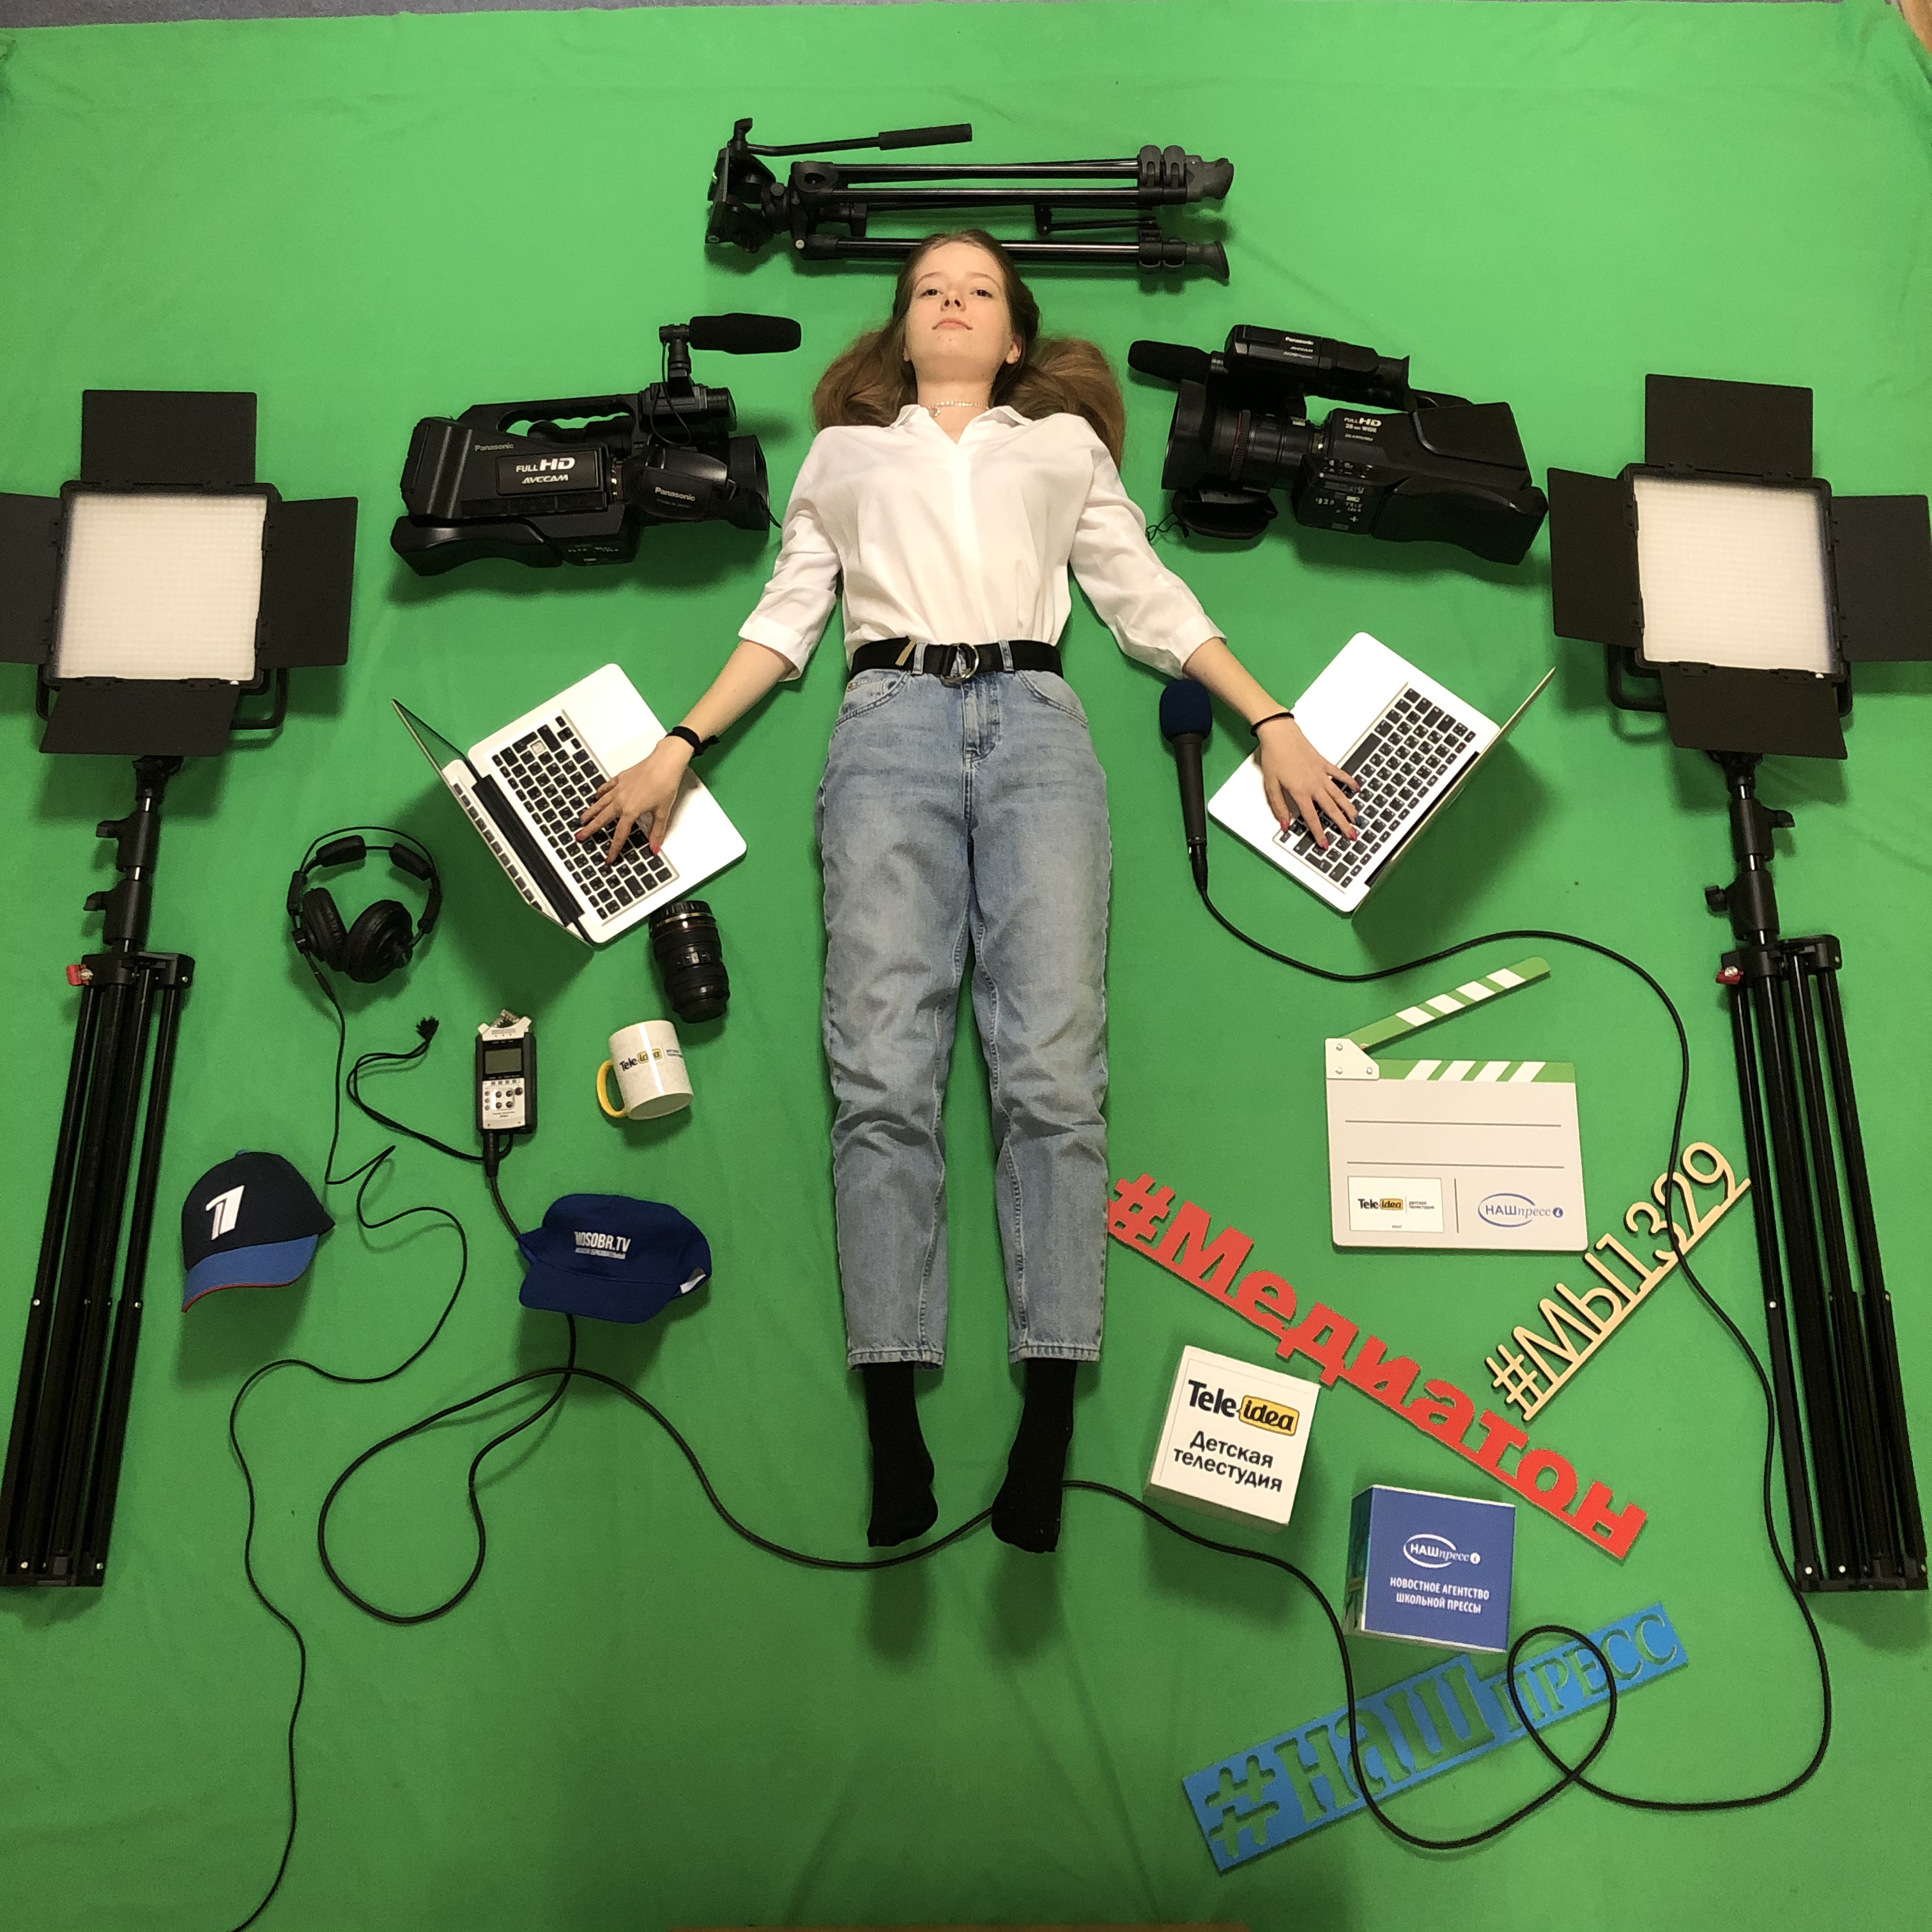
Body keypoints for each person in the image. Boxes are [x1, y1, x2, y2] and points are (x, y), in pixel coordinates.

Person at [579, 231, 1358, 1554]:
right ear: (902, 330)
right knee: (881, 1073)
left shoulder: (1061, 446)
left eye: (978, 290)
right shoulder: (844, 456)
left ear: (1012, 337)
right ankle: (894, 1420)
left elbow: (1144, 596)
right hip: (885, 725)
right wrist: (676, 746)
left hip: (1038, 725)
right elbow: (787, 618)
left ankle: (1047, 1419)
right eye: (929, 289)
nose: (950, 300)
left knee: (1052, 1073)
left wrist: (1270, 719)